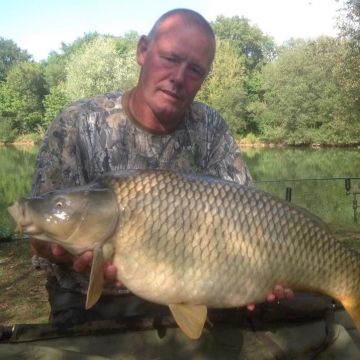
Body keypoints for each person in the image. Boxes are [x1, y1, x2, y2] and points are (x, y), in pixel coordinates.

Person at [30, 8, 293, 326]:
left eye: (195, 70)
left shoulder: (210, 128)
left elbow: (250, 221)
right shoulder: (76, 123)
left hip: (188, 289)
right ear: (143, 51)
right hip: (86, 299)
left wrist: (268, 272)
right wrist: (59, 249)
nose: (179, 78)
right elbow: (42, 229)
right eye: (170, 58)